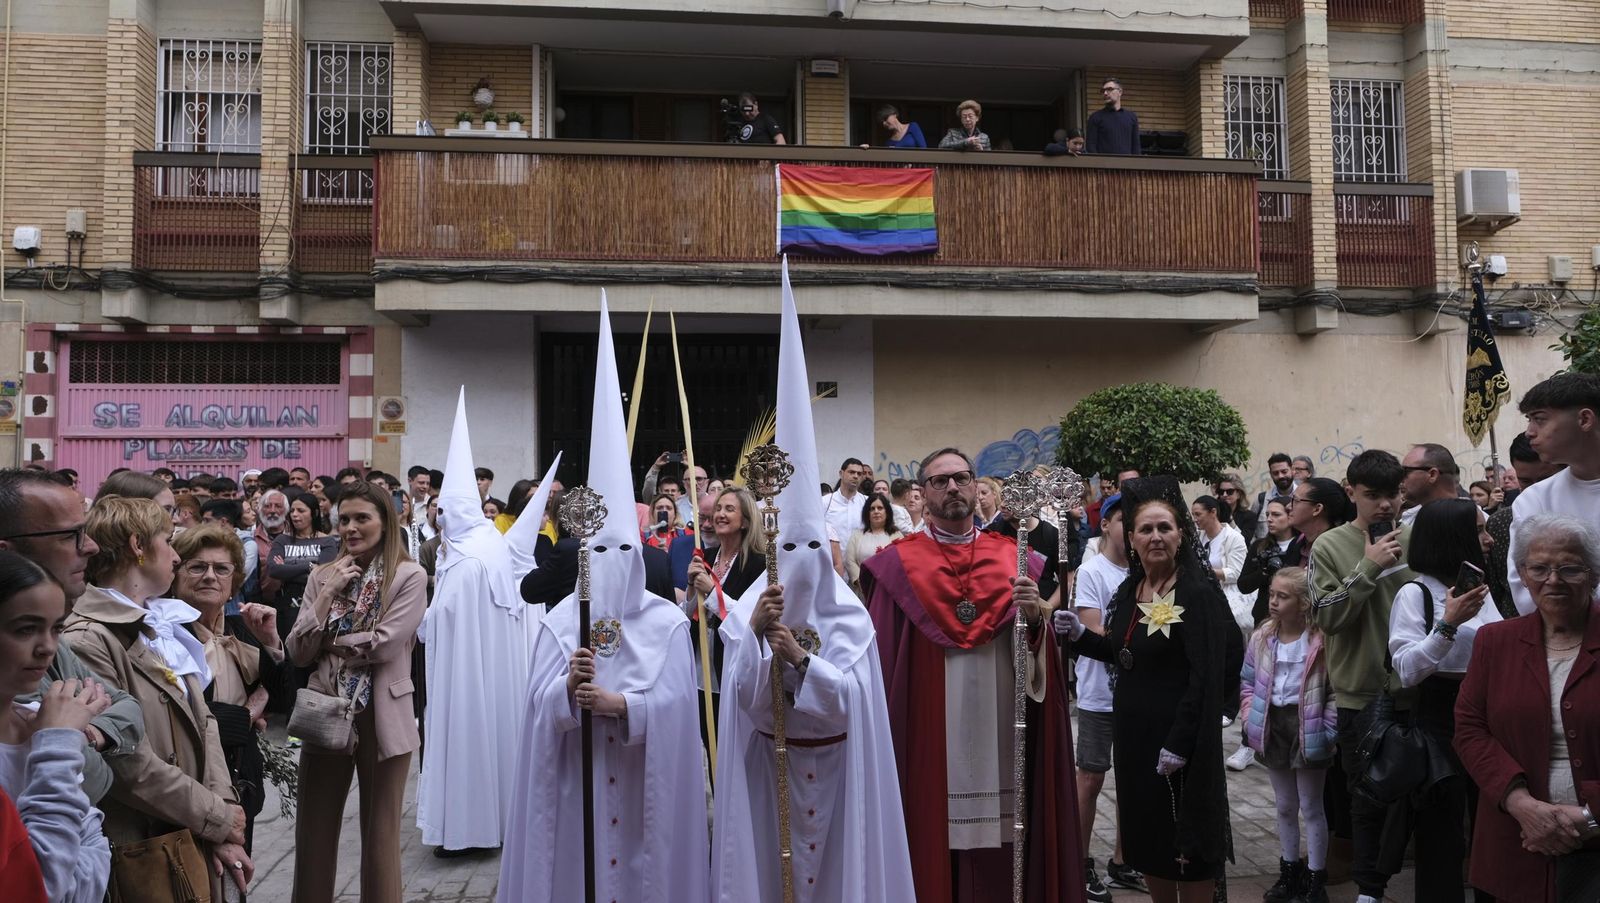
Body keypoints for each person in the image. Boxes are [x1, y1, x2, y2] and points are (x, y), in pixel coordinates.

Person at [712, 267, 914, 901]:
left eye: (808, 547)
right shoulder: (752, 605)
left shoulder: (851, 618)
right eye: (787, 548)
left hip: (837, 771)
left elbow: (854, 704)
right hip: (768, 765)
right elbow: (740, 701)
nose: (798, 561)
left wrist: (800, 659)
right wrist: (752, 634)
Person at [499, 296, 707, 903]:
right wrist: (566, 689)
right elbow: (536, 709)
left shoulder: (667, 623)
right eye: (603, 551)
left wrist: (623, 705)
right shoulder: (563, 622)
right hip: (578, 785)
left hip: (645, 790)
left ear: (637, 554)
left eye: (624, 551)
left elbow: (680, 709)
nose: (614, 563)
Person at [861, 447, 1083, 902]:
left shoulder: (1012, 558)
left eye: (961, 478)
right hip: (929, 731)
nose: (953, 488)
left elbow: (1040, 656)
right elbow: (885, 665)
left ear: (976, 485)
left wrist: (1034, 620)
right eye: (939, 481)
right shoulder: (897, 566)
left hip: (1000, 724)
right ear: (922, 493)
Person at [64, 496, 251, 900]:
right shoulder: (88, 638)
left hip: (189, 828)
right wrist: (216, 817)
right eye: (167, 541)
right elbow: (127, 761)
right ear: (138, 546)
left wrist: (222, 808)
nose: (176, 557)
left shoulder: (159, 622)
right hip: (143, 844)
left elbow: (204, 722)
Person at [1057, 477, 1234, 902]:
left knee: (1185, 844)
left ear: (1181, 534)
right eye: (1146, 529)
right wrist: (1079, 635)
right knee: (1150, 838)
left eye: (1164, 528)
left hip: (1178, 744)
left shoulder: (1195, 592)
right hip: (1135, 739)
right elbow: (1123, 652)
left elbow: (1206, 675)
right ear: (1132, 538)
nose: (1156, 537)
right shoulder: (1131, 589)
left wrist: (1180, 742)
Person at [286, 481, 426, 903]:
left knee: (381, 834)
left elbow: (383, 645)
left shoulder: (409, 576)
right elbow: (298, 650)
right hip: (327, 707)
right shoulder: (321, 576)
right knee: (313, 830)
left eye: (362, 518)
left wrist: (328, 642)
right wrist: (329, 591)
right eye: (343, 518)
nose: (350, 527)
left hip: (383, 713)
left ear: (386, 522)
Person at [1455, 513, 1600, 902]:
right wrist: (1521, 804)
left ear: (1593, 574)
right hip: (1515, 838)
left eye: (1570, 568)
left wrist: (1591, 817)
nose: (1553, 580)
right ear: (1522, 574)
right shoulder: (1495, 642)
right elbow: (1469, 728)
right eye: (1539, 568)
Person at [418, 390, 538, 858]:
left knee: (466, 738)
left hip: (465, 674)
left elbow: (442, 617)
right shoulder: (487, 544)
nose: (440, 520)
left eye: (444, 512)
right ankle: (494, 818)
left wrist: (421, 622)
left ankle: (467, 828)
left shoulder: (468, 559)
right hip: (487, 669)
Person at [0, 469, 146, 808]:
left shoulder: (50, 641)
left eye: (55, 628)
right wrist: (61, 737)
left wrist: (89, 732)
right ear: (7, 552)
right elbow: (91, 782)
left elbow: (128, 707)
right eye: (70, 535)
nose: (91, 546)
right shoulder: (17, 662)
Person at [1309, 449, 1412, 903]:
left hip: (1416, 687)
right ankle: (1369, 890)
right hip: (1360, 695)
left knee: (1421, 793)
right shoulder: (1328, 546)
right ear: (1351, 493)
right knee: (1366, 799)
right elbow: (1326, 617)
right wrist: (1370, 565)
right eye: (1373, 495)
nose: (1384, 504)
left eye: (1392, 494)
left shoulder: (1414, 537)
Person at [1386, 498, 1501, 903]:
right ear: (1454, 538)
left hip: (1490, 713)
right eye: (1479, 530)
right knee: (1441, 831)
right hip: (1440, 714)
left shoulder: (1479, 587)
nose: (1489, 539)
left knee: (1492, 825)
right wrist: (1448, 624)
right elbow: (1406, 669)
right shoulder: (1415, 593)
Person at [0, 551, 112, 903]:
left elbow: (93, 844)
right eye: (26, 629)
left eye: (56, 628)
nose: (47, 648)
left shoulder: (34, 720)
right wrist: (59, 745)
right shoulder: (50, 736)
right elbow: (40, 884)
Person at [170, 525, 282, 855]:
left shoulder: (240, 631)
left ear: (234, 583)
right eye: (197, 567)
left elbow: (282, 699)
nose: (210, 576)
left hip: (242, 783)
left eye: (221, 569)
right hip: (193, 791)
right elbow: (185, 719)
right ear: (175, 577)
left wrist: (271, 643)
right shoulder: (166, 637)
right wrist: (247, 714)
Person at [1240, 567, 1336, 903]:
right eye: (1272, 594)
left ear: (1304, 603)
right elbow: (1248, 680)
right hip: (1273, 724)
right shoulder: (1263, 637)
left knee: (1311, 805)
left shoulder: (1320, 640)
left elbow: (1333, 688)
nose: (1274, 602)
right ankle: (1289, 872)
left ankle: (1315, 878)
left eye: (1283, 596)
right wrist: (1249, 715)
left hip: (1308, 724)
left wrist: (1328, 727)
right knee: (1283, 805)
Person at [1071, 493, 1147, 901]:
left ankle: (1124, 859)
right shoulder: (1092, 571)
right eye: (1123, 520)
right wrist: (1146, 643)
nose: (1131, 529)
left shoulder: (1145, 570)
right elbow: (1092, 629)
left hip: (1137, 694)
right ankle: (1079, 862)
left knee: (1133, 779)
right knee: (1091, 778)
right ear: (1105, 524)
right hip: (1099, 694)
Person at [1508, 372, 1600, 615]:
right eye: (1529, 420)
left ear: (1585, 419)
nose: (1529, 432)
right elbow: (1526, 592)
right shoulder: (1534, 500)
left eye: (1539, 419)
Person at [1486, 433, 1564, 619]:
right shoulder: (1499, 522)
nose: (1535, 489)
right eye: (1526, 481)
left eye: (1544, 480)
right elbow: (1496, 586)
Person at [843, 492, 899, 591]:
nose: (876, 511)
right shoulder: (857, 535)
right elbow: (849, 560)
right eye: (872, 509)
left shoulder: (896, 535)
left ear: (887, 512)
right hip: (863, 590)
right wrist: (861, 582)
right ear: (867, 513)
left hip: (889, 589)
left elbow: (900, 563)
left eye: (880, 508)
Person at [1400, 443, 1463, 523]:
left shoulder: (1472, 518)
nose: (1401, 478)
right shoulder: (1408, 519)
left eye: (1405, 471)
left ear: (1432, 475)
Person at [1085, 79, 1140, 155]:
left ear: (1120, 92)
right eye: (1103, 91)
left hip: (1126, 162)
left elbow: (1136, 147)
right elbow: (1091, 146)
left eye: (1109, 89)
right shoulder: (1095, 117)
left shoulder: (1131, 117)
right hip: (1103, 162)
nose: (1105, 93)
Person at [1254, 453, 1298, 540]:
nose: (1280, 476)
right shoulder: (1261, 499)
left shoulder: (1304, 498)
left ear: (1292, 470)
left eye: (1284, 471)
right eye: (1275, 473)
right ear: (1270, 474)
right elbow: (1252, 530)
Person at [1215, 472, 1258, 541]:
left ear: (1239, 494)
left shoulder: (1249, 516)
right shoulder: (1213, 513)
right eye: (1221, 491)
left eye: (1229, 491)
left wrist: (1230, 520)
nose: (1225, 495)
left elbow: (1244, 541)